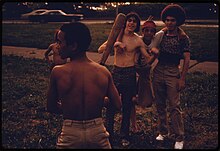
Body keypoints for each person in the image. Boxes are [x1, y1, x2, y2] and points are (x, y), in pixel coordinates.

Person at [46, 22, 122, 149]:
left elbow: (51, 107)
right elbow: (117, 104)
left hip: (70, 133)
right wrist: (98, 102)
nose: (57, 46)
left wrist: (71, 106)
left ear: (73, 46)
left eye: (60, 42)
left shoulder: (58, 72)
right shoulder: (103, 71)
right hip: (97, 131)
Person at [99, 12, 158, 146]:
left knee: (127, 105)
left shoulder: (137, 40)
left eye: (134, 21)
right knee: (111, 106)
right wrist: (115, 44)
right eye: (129, 20)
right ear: (125, 22)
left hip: (130, 74)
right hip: (116, 72)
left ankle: (124, 135)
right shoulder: (116, 35)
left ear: (137, 25)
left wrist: (154, 54)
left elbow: (148, 60)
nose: (131, 23)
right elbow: (100, 49)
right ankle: (109, 133)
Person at [153, 4, 191, 149]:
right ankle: (163, 131)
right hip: (158, 70)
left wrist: (182, 78)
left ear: (178, 21)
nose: (169, 23)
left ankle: (179, 136)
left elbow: (187, 59)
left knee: (174, 106)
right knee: (160, 104)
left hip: (172, 72)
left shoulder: (183, 37)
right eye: (167, 20)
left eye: (173, 20)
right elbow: (150, 45)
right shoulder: (161, 34)